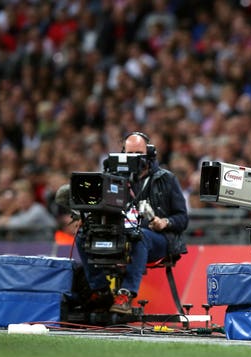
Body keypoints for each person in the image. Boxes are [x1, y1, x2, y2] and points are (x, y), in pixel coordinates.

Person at [76, 131, 189, 314]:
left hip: (158, 239)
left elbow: (183, 218)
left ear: (149, 154)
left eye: (138, 154)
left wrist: (165, 222)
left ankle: (125, 295)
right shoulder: (115, 178)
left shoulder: (166, 179)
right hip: (121, 233)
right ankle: (101, 290)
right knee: (83, 235)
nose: (134, 159)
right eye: (129, 155)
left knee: (139, 236)